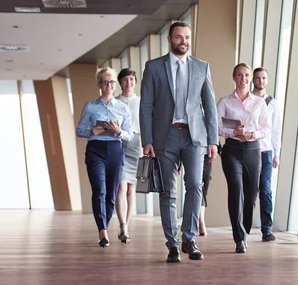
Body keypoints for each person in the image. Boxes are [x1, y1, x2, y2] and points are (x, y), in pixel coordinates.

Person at [139, 21, 218, 263]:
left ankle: (189, 239)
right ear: (170, 39)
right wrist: (147, 139)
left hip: (194, 137)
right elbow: (145, 106)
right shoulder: (153, 67)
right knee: (167, 191)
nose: (183, 41)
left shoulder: (201, 67)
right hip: (165, 136)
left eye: (186, 37)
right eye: (179, 37)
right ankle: (172, 244)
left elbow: (210, 106)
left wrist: (213, 140)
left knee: (195, 185)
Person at [76, 67, 133, 248]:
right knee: (99, 190)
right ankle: (102, 230)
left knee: (111, 193)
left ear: (115, 85)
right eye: (105, 82)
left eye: (112, 82)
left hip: (116, 149)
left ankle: (106, 225)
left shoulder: (123, 108)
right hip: (95, 149)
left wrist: (119, 131)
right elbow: (79, 130)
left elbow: (130, 135)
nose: (109, 85)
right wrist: (90, 131)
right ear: (99, 84)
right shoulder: (90, 106)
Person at [217, 63, 270, 253]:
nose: (243, 78)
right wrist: (233, 131)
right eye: (239, 75)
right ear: (234, 77)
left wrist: (252, 135)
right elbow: (217, 127)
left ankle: (245, 228)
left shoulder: (259, 103)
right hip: (231, 150)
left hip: (253, 149)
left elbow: (266, 128)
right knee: (236, 190)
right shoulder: (224, 102)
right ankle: (239, 238)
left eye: (246, 75)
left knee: (251, 194)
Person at [252, 67, 282, 242]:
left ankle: (266, 229)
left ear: (267, 80)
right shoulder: (247, 101)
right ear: (253, 80)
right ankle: (243, 228)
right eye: (258, 78)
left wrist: (277, 153)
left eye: (264, 78)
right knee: (249, 190)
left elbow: (276, 130)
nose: (261, 81)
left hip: (267, 151)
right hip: (250, 149)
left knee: (266, 189)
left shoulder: (273, 104)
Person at [114, 68, 141, 243]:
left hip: (137, 144)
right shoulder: (115, 102)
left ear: (135, 82)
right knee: (121, 187)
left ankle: (126, 226)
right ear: (120, 82)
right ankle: (122, 225)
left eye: (131, 79)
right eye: (125, 79)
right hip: (119, 144)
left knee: (131, 189)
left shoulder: (142, 102)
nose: (128, 83)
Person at [199, 155, 212, 236]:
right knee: (198, 184)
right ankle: (201, 221)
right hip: (192, 149)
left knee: (205, 182)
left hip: (207, 153)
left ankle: (200, 219)